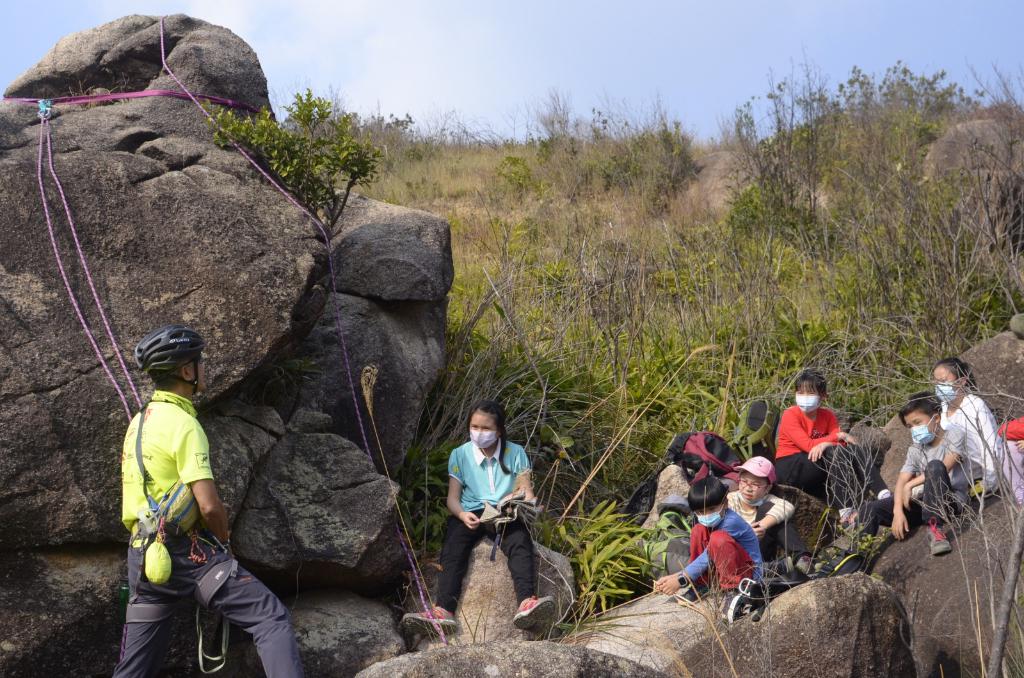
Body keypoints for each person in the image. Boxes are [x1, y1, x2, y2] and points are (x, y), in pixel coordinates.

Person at [114, 325, 303, 678]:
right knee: (270, 618)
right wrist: (225, 543)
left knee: (135, 669)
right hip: (188, 554)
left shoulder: (138, 422)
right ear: (187, 371)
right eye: (199, 363)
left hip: (143, 558)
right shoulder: (184, 424)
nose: (204, 369)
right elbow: (209, 505)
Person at [400, 400, 554, 634]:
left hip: (504, 513)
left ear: (499, 430)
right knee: (453, 548)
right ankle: (443, 611)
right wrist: (462, 515)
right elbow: (452, 498)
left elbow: (526, 491)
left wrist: (528, 503)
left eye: (486, 429)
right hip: (471, 511)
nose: (479, 433)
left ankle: (526, 602)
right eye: (475, 427)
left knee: (520, 542)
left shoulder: (516, 453)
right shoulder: (460, 454)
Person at [857, 392, 975, 556]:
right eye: (910, 426)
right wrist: (898, 511)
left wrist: (911, 484)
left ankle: (935, 530)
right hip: (923, 504)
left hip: (950, 501)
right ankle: (857, 556)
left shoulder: (954, 434)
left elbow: (946, 466)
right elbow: (901, 480)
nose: (914, 429)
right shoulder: (916, 449)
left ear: (937, 417)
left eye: (917, 422)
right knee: (870, 508)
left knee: (935, 466)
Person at [774, 368, 889, 522]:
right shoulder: (791, 414)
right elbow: (809, 445)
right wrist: (834, 438)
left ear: (823, 395)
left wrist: (825, 444)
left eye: (810, 393)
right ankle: (846, 511)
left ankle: (883, 493)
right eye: (800, 392)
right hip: (792, 467)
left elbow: (843, 444)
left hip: (816, 462)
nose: (804, 397)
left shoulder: (827, 415)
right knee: (833, 451)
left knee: (852, 449)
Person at [653, 476, 762, 600]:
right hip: (724, 567)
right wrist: (673, 577)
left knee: (718, 538)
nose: (706, 515)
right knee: (697, 530)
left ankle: (733, 590)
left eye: (712, 509)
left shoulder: (731, 522)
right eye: (700, 512)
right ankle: (701, 584)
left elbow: (708, 556)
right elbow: (706, 556)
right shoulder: (709, 524)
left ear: (725, 503)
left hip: (748, 573)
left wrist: (682, 579)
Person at [727, 457, 811, 571]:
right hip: (740, 554)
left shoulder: (768, 500)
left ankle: (802, 559)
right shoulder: (731, 500)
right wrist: (748, 534)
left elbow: (787, 507)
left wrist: (762, 526)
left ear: (768, 488)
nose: (748, 488)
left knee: (774, 513)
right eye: (744, 481)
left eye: (755, 484)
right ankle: (771, 568)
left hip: (762, 551)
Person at [932, 357, 1001, 496]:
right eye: (936, 382)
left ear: (962, 381)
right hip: (956, 476)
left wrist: (990, 482)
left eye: (944, 381)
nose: (939, 386)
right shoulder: (942, 409)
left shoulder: (975, 405)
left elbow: (990, 445)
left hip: (980, 476)